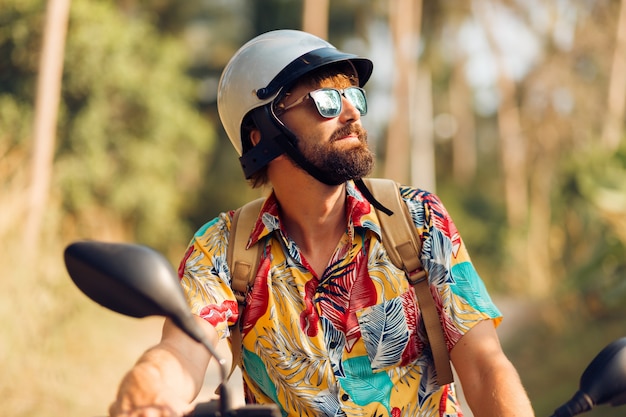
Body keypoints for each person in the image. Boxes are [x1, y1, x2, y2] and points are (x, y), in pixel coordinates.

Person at [109, 29, 535, 417]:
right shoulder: (223, 248)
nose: (351, 112)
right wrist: (151, 383)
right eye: (325, 101)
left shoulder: (418, 220)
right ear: (261, 132)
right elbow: (182, 354)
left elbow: (483, 367)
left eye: (354, 97)